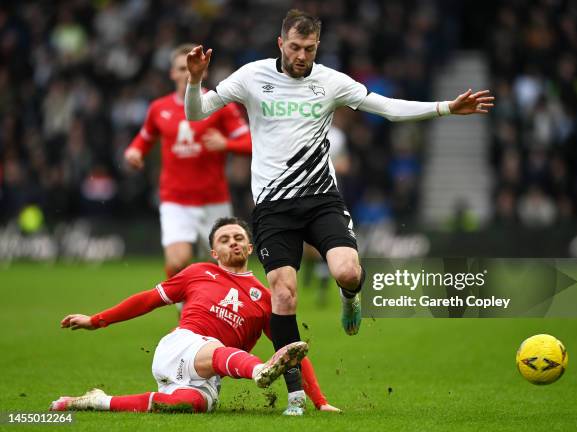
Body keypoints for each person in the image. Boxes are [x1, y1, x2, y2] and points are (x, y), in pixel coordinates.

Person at [184, 9, 495, 411]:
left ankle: (351, 296)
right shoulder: (252, 77)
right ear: (280, 43)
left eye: (309, 48)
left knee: (347, 271)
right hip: (273, 208)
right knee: (283, 295)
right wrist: (195, 80)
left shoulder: (330, 82)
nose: (301, 55)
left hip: (321, 200)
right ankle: (295, 394)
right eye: (294, 47)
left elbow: (387, 107)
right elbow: (196, 113)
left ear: (318, 46)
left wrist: (446, 108)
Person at [50, 217, 339, 415]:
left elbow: (290, 353)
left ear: (251, 248)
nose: (233, 243)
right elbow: (148, 300)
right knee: (215, 349)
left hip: (207, 376)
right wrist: (96, 320)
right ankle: (258, 371)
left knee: (187, 405)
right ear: (214, 251)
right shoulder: (198, 272)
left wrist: (321, 401)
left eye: (239, 238)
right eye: (225, 240)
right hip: (182, 346)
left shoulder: (265, 299)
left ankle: (98, 401)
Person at [124, 44, 251, 281]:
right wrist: (133, 154)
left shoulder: (220, 106)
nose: (187, 73)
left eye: (191, 68)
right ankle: (185, 312)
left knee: (224, 267)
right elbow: (142, 140)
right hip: (176, 200)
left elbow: (251, 143)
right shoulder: (158, 109)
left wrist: (227, 144)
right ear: (172, 73)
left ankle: (212, 311)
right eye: (182, 68)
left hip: (214, 200)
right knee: (177, 261)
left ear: (203, 71)